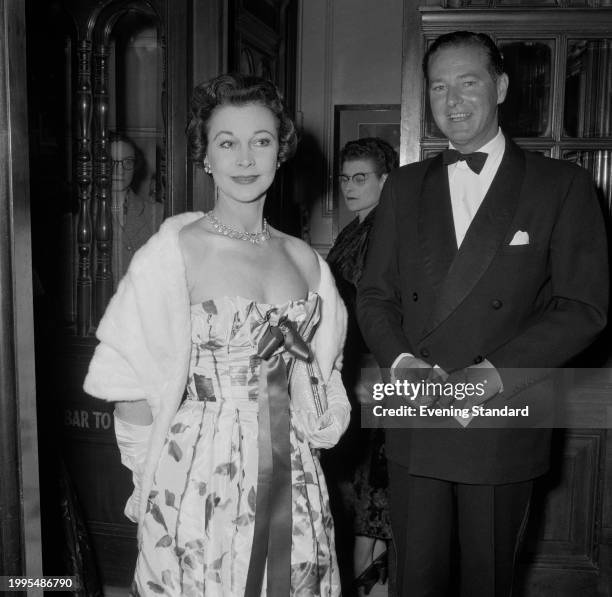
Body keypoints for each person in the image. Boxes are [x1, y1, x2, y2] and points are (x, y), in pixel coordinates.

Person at [356, 31, 609, 597]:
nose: (452, 100)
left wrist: (494, 372)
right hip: (416, 411)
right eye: (439, 87)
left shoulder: (562, 186)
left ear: (500, 86)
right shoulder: (403, 186)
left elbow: (584, 308)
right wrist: (399, 359)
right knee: (413, 580)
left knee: (486, 581)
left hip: (501, 414)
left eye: (467, 82)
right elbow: (375, 294)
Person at [84, 74, 351, 596]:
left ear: (281, 152)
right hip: (198, 467)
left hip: (291, 469)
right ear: (205, 156)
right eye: (227, 143)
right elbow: (131, 383)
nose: (245, 159)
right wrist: (149, 477)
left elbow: (325, 373)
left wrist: (316, 418)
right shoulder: (173, 251)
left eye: (262, 141)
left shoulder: (307, 261)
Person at [325, 137, 398, 595]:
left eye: (361, 178)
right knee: (359, 500)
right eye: (345, 178)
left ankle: (362, 584)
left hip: (375, 371)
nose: (350, 187)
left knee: (369, 499)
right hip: (351, 369)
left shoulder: (386, 231)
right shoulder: (356, 227)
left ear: (384, 180)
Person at [109, 132, 164, 286]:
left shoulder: (158, 214)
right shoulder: (79, 222)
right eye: (112, 162)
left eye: (127, 162)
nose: (119, 170)